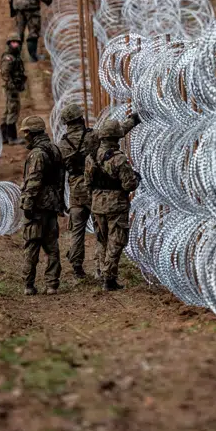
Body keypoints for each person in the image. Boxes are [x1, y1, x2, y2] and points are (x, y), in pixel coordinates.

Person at [83, 113, 141, 291]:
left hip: (97, 203)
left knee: (102, 239)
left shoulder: (91, 157)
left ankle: (101, 271)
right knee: (117, 241)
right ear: (117, 137)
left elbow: (87, 183)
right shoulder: (119, 159)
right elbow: (129, 184)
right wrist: (137, 178)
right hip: (116, 205)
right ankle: (109, 278)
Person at [19, 116, 64, 295]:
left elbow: (34, 181)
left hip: (38, 206)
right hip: (51, 204)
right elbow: (60, 179)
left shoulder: (37, 154)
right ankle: (52, 284)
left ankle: (28, 285)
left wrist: (28, 204)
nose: (25, 137)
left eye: (26, 133)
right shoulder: (54, 149)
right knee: (52, 247)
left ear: (32, 133)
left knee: (32, 245)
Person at [55, 102, 91, 280]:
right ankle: (103, 267)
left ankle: (77, 267)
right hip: (94, 188)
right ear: (80, 119)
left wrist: (60, 200)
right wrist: (135, 119)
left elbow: (59, 175)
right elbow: (116, 133)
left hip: (76, 191)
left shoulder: (62, 145)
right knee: (101, 228)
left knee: (77, 230)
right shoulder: (93, 137)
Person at [0, 35, 27, 145]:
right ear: (9, 44)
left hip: (12, 87)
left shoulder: (15, 57)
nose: (15, 45)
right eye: (13, 42)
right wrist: (13, 85)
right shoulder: (9, 58)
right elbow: (5, 73)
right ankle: (12, 137)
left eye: (17, 42)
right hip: (11, 89)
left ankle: (5, 136)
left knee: (8, 110)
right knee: (13, 110)